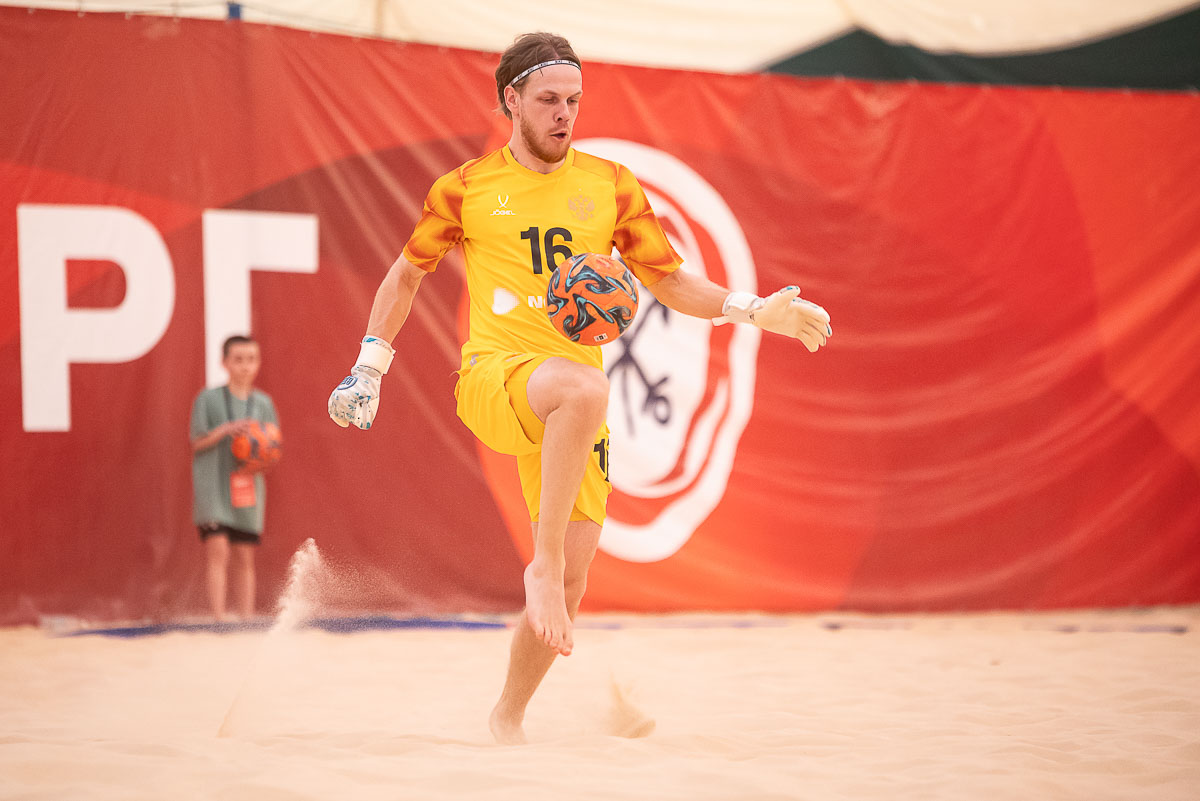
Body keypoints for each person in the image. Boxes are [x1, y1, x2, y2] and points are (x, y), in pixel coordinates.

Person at [328, 32, 831, 743]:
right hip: (496, 377)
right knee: (585, 399)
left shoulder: (610, 184)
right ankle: (539, 565)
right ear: (512, 100)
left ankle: (507, 715)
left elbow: (668, 280)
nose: (564, 113)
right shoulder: (465, 188)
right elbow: (408, 273)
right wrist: (369, 367)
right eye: (548, 100)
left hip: (571, 404)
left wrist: (752, 310)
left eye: (573, 100)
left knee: (573, 581)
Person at [190, 334, 280, 622]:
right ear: (225, 363)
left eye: (251, 359)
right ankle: (218, 619)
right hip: (213, 487)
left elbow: (272, 448)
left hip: (247, 488)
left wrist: (258, 459)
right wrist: (226, 430)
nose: (245, 366)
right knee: (217, 550)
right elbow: (196, 442)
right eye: (238, 359)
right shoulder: (208, 399)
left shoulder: (263, 403)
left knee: (244, 554)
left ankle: (245, 618)